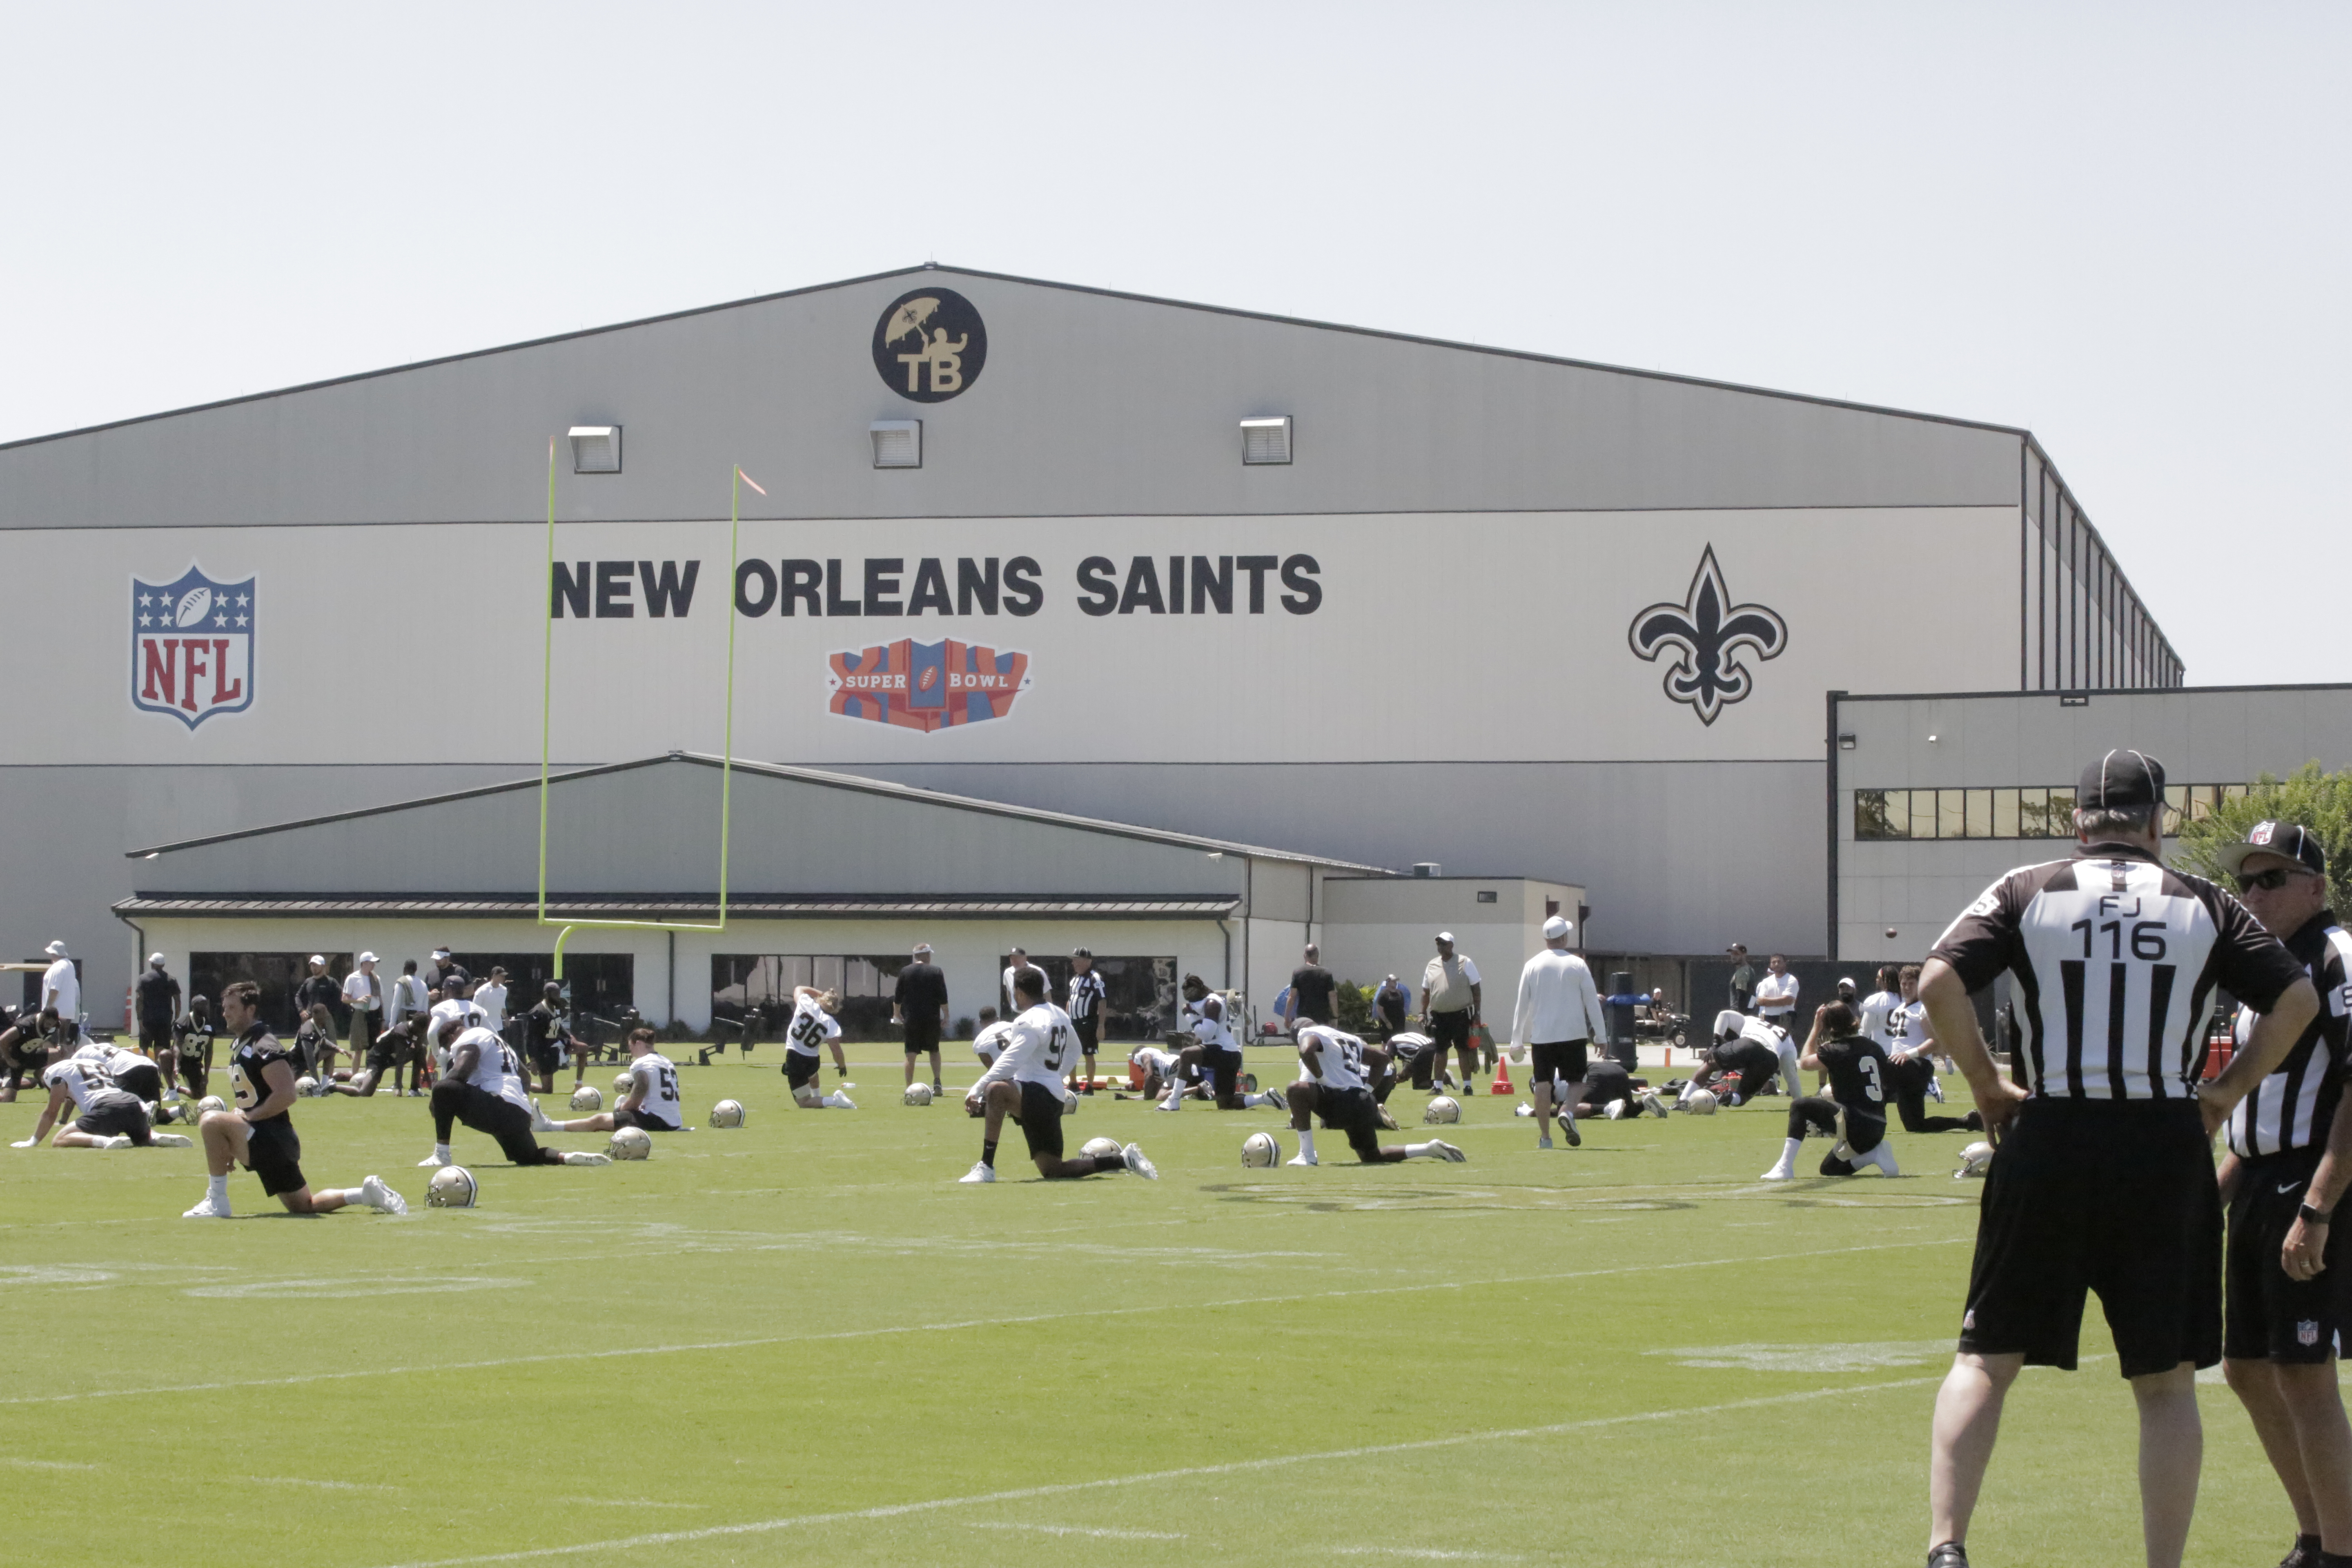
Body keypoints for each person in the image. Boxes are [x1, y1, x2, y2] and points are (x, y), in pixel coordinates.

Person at [1917, 749, 2320, 1568]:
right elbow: (2297, 1000)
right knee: (2166, 1381)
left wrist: (1988, 1083)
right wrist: (2226, 1093)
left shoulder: (2026, 888)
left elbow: (1935, 983)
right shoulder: (2202, 902)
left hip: (2051, 1129)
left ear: (2077, 822)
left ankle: (1947, 1547)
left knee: (1986, 1359)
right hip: (2161, 1140)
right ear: (2156, 822)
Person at [2204, 822, 2352, 1568]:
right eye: (2246, 881)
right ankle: (2315, 1533)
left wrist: (2319, 1207)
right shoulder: (2264, 974)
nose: (2253, 894)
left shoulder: (2337, 957)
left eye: (2273, 879)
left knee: (2303, 1371)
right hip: (2263, 1179)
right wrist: (2207, 1200)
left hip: (2316, 1179)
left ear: (2317, 888)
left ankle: (2341, 1548)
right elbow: (2252, 1121)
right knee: (2246, 1368)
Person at [182, 980, 406, 1218]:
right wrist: (229, 1143)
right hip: (269, 1138)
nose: (225, 1013)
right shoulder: (243, 1042)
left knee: (210, 1120)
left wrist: (248, 1119)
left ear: (250, 1010)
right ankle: (365, 1194)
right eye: (224, 1007)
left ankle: (217, 1201)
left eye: (232, 1008)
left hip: (269, 1137)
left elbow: (287, 1094)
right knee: (303, 1206)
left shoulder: (263, 1044)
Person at [960, 969, 1156, 1184]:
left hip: (1037, 1095)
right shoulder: (1059, 1014)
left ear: (1019, 992)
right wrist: (1055, 1076)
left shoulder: (1027, 1021)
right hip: (1051, 1097)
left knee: (995, 1090)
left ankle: (986, 1166)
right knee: (1053, 1170)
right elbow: (1076, 1049)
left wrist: (976, 1090)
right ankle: (1123, 1161)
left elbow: (1009, 1062)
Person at [419, 1015, 609, 1168]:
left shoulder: (468, 1038)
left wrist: (437, 1101)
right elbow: (525, 1076)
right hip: (519, 1113)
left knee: (444, 1087)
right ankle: (566, 1157)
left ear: (452, 1038)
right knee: (529, 1157)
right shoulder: (499, 1042)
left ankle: (442, 1154)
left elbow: (459, 1073)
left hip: (497, 1107)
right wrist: (519, 1104)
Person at [1285, 1022, 1464, 1167]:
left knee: (1296, 1089)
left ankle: (1307, 1155)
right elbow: (1382, 1059)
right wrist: (1368, 1090)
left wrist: (1324, 1080)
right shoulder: (1346, 1037)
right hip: (1363, 1103)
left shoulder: (1308, 1033)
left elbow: (1306, 1051)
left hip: (1341, 1102)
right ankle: (1428, 1149)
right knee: (1372, 1156)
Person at [1762, 1001, 1897, 1180]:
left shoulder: (1834, 1050)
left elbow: (1805, 1063)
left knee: (1799, 1105)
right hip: (1878, 1126)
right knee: (1830, 1169)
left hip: (1856, 1126)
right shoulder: (1875, 1048)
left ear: (1829, 1026)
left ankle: (1785, 1167)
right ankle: (1875, 1154)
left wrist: (1816, 1028)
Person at [1510, 913, 1609, 1150]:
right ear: (1563, 938)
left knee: (1543, 1085)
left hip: (1542, 1036)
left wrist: (1516, 1040)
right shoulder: (1577, 964)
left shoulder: (1532, 965)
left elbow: (1521, 1005)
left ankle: (1545, 1138)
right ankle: (1567, 1112)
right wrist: (1601, 1036)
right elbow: (1592, 1003)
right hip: (1573, 1034)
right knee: (1577, 1082)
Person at [16, 1052, 193, 1150]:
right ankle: (155, 1136)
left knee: (60, 1138)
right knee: (141, 1138)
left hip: (108, 1107)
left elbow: (51, 1112)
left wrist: (33, 1141)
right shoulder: (96, 1065)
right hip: (133, 1103)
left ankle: (105, 1142)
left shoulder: (55, 1076)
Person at [1158, 975, 1285, 1113]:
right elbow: (1204, 1037)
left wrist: (1190, 1017)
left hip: (1225, 1053)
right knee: (1226, 1103)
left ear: (1200, 990)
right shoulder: (1206, 1002)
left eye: (1191, 993)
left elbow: (1207, 1034)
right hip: (1227, 1054)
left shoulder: (1212, 1004)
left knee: (1187, 1054)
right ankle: (1266, 1098)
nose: (1188, 997)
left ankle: (1174, 1100)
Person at [1882, 965, 1982, 1135]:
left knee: (1880, 1075)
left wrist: (1909, 1054)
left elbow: (1935, 1041)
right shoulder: (1899, 1010)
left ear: (1920, 985)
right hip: (1904, 1067)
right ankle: (1969, 1122)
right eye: (1904, 984)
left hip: (1916, 1065)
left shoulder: (1923, 1007)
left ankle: (1863, 1120)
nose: (1906, 988)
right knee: (1915, 1125)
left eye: (1911, 984)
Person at [536, 1026, 694, 1133]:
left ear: (638, 1043)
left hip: (657, 1120)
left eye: (631, 1047)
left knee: (599, 1120)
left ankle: (549, 1126)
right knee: (615, 1114)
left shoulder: (641, 1063)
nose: (630, 1051)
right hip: (674, 1120)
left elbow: (638, 1096)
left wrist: (622, 1109)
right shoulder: (666, 1062)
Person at [1685, 1010, 1799, 1107]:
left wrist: (1716, 1043)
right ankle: (1730, 1097)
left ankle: (1683, 1100)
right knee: (1742, 1097)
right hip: (1770, 1059)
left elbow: (1724, 1014)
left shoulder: (1753, 1020)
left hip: (1748, 1044)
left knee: (1710, 1064)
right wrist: (1799, 1101)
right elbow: (1791, 1076)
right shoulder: (1788, 1039)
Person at [1418, 932, 1482, 1093]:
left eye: (1444, 944)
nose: (1440, 947)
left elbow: (1476, 988)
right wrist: (1422, 1012)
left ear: (1451, 945)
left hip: (1460, 1014)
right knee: (1440, 1051)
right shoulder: (1432, 964)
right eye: (1438, 944)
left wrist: (1477, 1012)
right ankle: (1438, 1086)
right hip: (1439, 1016)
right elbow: (1426, 991)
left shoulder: (1464, 962)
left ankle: (1467, 1086)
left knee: (1462, 1050)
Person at [778, 987, 856, 1109]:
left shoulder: (806, 1003)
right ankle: (818, 1097)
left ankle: (835, 1101)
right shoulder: (831, 1023)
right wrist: (842, 1065)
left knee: (803, 1102)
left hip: (795, 1057)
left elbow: (799, 989)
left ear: (822, 999)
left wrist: (821, 993)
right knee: (813, 1075)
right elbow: (836, 1050)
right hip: (812, 1060)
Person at [893, 942, 948, 1098]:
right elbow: (943, 997)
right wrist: (947, 1016)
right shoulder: (936, 971)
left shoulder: (905, 971)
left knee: (911, 1053)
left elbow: (898, 997)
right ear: (925, 955)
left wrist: (896, 1014)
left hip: (911, 1018)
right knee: (934, 1050)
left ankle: (909, 1087)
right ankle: (937, 1081)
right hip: (932, 1017)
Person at [135, 953, 182, 1105]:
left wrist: (140, 1020)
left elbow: (139, 1000)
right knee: (161, 1052)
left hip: (148, 1019)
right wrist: (176, 1017)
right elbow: (177, 1000)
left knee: (144, 1048)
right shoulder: (171, 979)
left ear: (152, 964)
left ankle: (143, 1078)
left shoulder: (144, 979)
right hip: (165, 1020)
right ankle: (158, 1079)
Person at [1065, 948, 1106, 1094]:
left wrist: (1101, 1025)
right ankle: (1073, 1084)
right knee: (1069, 1053)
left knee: (1088, 1053)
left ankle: (1089, 1086)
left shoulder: (1095, 978)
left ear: (1087, 961)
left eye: (1077, 960)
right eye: (1074, 960)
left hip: (1088, 1022)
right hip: (1073, 1023)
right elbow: (1071, 1000)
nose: (1074, 963)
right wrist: (1066, 1019)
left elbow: (1102, 1001)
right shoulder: (1075, 979)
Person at [341, 951, 383, 1070]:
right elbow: (344, 999)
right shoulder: (353, 978)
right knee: (359, 1049)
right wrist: (358, 1000)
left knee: (373, 1049)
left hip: (375, 1015)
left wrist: (382, 1016)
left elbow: (380, 998)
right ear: (364, 963)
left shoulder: (376, 978)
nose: (374, 965)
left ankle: (370, 1078)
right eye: (371, 963)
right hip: (360, 1015)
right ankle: (355, 1078)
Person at [1285, 944, 1338, 1033]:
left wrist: (1287, 1017)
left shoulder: (1298, 972)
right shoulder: (1327, 973)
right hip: (1322, 1018)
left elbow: (1292, 997)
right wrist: (1335, 1017)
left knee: (1305, 1043)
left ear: (1305, 956)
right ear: (1318, 956)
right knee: (1321, 1043)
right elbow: (1333, 996)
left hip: (1303, 1019)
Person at [175, 995, 216, 1100]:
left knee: (200, 1097)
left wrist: (206, 1074)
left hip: (194, 1063)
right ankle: (171, 1087)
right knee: (164, 1055)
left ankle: (178, 1089)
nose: (206, 1007)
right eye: (203, 1005)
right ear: (194, 1006)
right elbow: (177, 1045)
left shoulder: (209, 1025)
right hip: (181, 1059)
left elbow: (209, 1051)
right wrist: (176, 1064)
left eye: (206, 1004)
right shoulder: (183, 1023)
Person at [39, 940, 79, 1048]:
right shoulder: (70, 965)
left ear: (54, 954)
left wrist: (47, 1011)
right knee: (62, 1044)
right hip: (67, 1013)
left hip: (55, 1013)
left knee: (49, 1043)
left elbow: (54, 990)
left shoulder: (58, 967)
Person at [1753, 953, 1799, 1036]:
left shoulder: (1792, 980)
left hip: (1784, 1019)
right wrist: (1780, 1001)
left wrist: (1766, 1001)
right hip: (1768, 1019)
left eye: (1779, 962)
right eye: (1774, 962)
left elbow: (1788, 1000)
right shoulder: (1766, 981)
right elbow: (1759, 1001)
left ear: (1785, 963)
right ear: (1771, 965)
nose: (1777, 964)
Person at [385, 959, 429, 1041]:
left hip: (403, 1018)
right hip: (418, 1020)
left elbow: (396, 1005)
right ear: (416, 970)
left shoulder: (401, 982)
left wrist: (392, 1026)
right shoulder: (423, 985)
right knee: (415, 1045)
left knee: (402, 1044)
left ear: (405, 968)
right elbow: (425, 1008)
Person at [1000, 947, 1047, 1016]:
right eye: (1012, 958)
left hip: (1035, 1013)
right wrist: (1013, 1006)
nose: (1014, 961)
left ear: (1025, 958)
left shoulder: (1038, 971)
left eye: (1017, 958)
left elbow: (1046, 993)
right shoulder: (1008, 973)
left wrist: (1048, 1012)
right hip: (1016, 1013)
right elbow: (1009, 992)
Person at [473, 965, 509, 1035]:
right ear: (494, 976)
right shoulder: (482, 991)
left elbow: (502, 1006)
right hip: (484, 1030)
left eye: (504, 976)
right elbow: (475, 1010)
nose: (504, 978)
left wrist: (506, 1018)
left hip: (498, 1029)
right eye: (502, 976)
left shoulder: (504, 990)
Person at [1372, 974, 1410, 1040]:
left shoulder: (1400, 993)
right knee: (1387, 1043)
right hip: (1388, 1024)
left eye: (1396, 981)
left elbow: (1402, 1007)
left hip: (1399, 1024)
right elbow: (1380, 1009)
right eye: (1394, 981)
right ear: (1389, 982)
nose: (1396, 983)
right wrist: (1387, 1022)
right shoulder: (1384, 994)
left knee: (1400, 1041)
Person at [1727, 943, 1755, 1014]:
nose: (1733, 956)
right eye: (1732, 954)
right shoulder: (1750, 969)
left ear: (1744, 955)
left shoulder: (1742, 972)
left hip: (1739, 1013)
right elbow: (1753, 996)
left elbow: (1741, 995)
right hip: (1749, 1012)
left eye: (1737, 954)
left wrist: (1739, 1015)